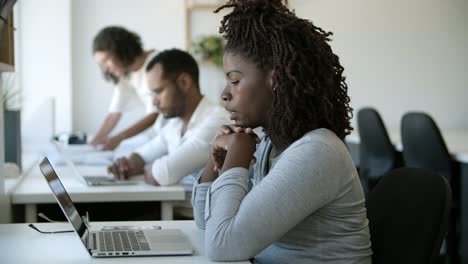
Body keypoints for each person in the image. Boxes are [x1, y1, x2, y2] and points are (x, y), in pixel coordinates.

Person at [192, 0, 372, 263]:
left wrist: (237, 157)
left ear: (275, 80)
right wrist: (216, 159)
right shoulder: (268, 143)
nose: (224, 94)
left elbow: (222, 246)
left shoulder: (316, 152)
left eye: (235, 80)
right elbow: (203, 223)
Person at [108, 48, 229, 186]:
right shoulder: (175, 125)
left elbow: (161, 174)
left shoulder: (217, 121)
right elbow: (141, 155)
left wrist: (145, 168)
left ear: (184, 82)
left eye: (159, 92)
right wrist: (128, 164)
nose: (154, 102)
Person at [91, 26, 160, 150]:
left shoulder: (156, 64)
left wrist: (119, 138)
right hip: (162, 137)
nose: (105, 68)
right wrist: (93, 143)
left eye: (106, 60)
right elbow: (113, 114)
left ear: (120, 50)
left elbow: (154, 114)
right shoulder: (126, 74)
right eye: (102, 64)